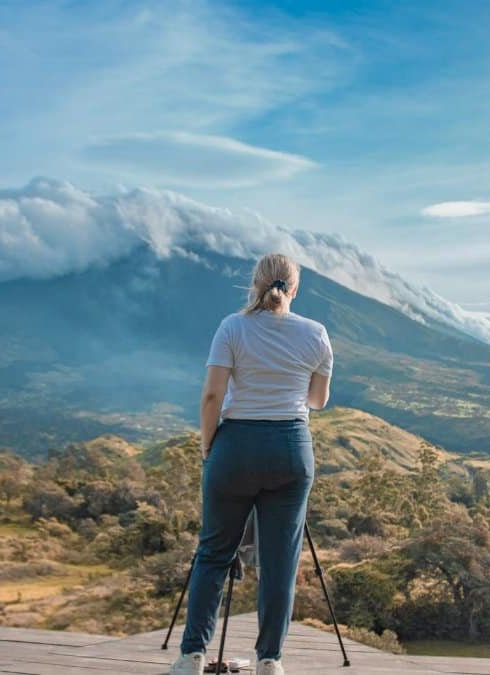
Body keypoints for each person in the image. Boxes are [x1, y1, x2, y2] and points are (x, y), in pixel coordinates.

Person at [170, 253, 333, 675]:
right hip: (291, 450)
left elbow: (211, 397)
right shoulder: (316, 334)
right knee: (280, 561)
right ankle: (269, 662)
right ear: (295, 289)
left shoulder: (232, 327)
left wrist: (210, 449)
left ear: (254, 284)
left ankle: (191, 657)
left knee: (214, 553)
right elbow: (317, 401)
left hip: (235, 447)